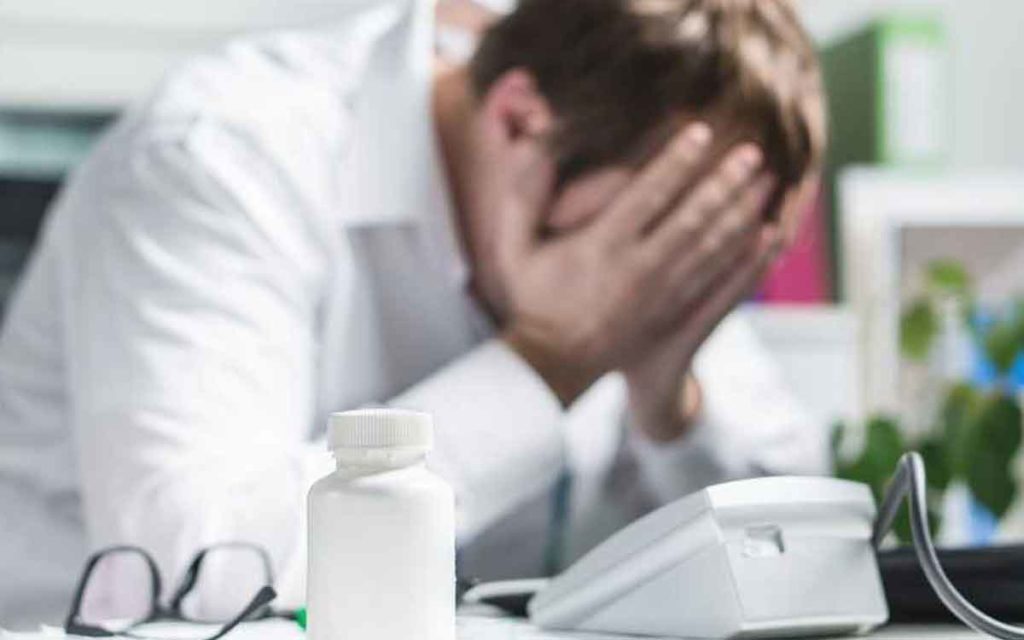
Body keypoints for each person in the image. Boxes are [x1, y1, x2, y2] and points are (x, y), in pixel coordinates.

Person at [0, 0, 827, 627]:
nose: (656, 285)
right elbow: (198, 568)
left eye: (705, 260)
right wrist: (551, 358)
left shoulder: (656, 198)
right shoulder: (221, 157)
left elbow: (801, 568)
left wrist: (668, 400)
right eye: (652, 244)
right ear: (515, 121)